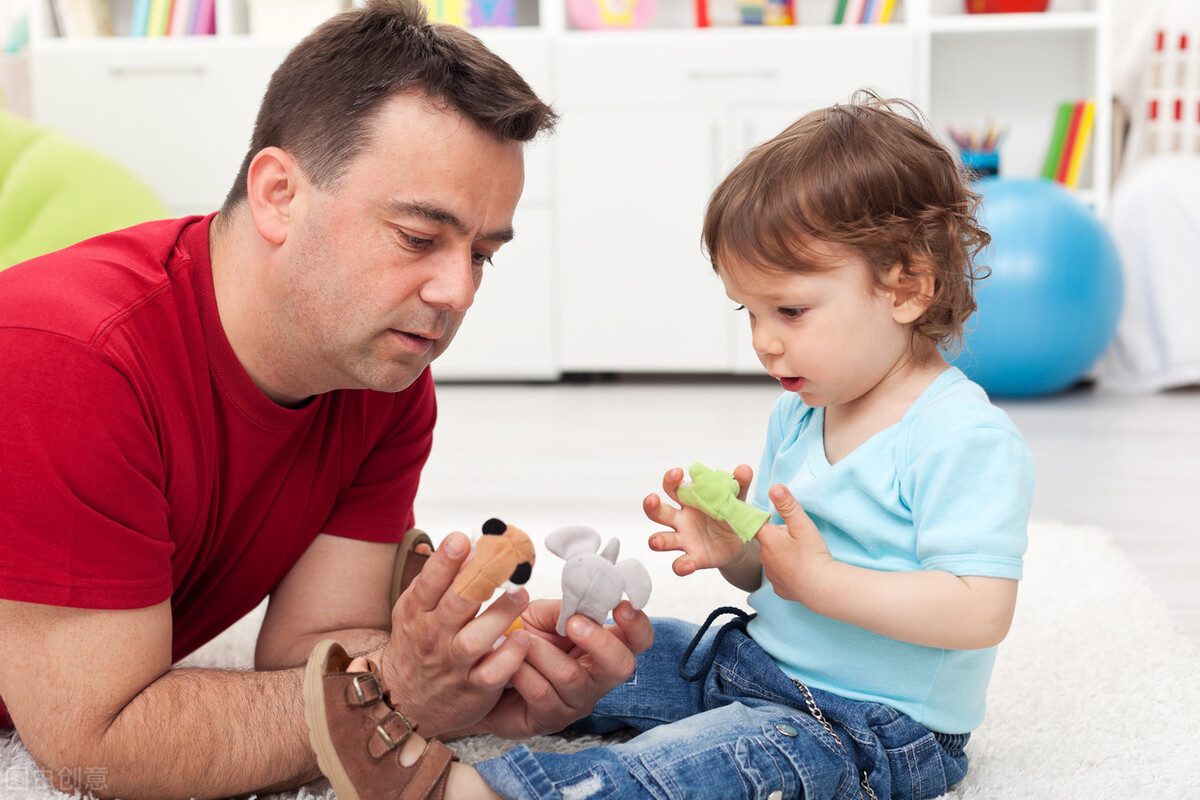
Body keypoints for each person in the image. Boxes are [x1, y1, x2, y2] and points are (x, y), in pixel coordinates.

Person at [0, 2, 652, 797]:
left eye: (482, 255)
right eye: (418, 237)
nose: (457, 293)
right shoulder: (71, 360)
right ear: (278, 194)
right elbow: (92, 745)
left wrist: (473, 681)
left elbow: (313, 644)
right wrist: (396, 692)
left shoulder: (382, 374)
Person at [305, 92, 1035, 799]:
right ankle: (472, 663)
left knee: (703, 764)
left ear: (907, 287)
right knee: (626, 650)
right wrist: (740, 552)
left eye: (789, 310)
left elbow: (977, 611)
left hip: (870, 731)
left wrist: (822, 584)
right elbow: (777, 577)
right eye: (747, 312)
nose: (764, 341)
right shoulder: (805, 408)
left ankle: (469, 790)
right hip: (757, 661)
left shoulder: (958, 438)